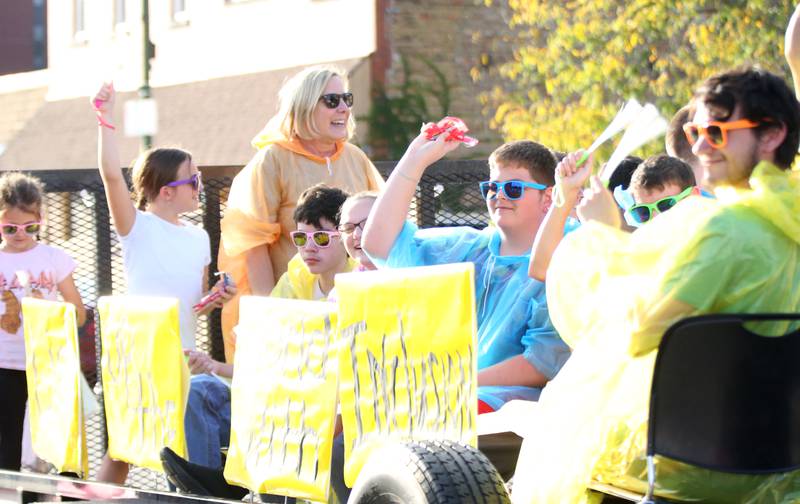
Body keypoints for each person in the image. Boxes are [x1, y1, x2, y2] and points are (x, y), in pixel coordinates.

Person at [513, 65, 800, 503]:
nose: (700, 146)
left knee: (563, 430)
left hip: (689, 462)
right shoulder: (785, 219)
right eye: (696, 131)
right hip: (783, 467)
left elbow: (634, 333)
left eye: (718, 132)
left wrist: (601, 235)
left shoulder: (723, 229)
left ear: (772, 134)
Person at [162, 185, 357, 503]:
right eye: (300, 238)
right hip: (285, 403)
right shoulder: (295, 279)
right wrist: (216, 367)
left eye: (321, 238)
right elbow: (263, 353)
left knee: (283, 415)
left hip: (328, 408)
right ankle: (209, 488)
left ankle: (231, 484)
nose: (309, 248)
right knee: (200, 390)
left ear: (345, 239)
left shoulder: (360, 282)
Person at [362, 133, 571, 413]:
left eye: (513, 188)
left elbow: (542, 363)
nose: (498, 195)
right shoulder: (470, 249)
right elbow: (379, 244)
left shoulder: (566, 256)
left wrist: (456, 383)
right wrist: (414, 160)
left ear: (548, 197)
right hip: (449, 394)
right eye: (492, 187)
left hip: (512, 409)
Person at [91, 82, 235, 484]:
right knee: (123, 447)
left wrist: (217, 297)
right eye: (192, 180)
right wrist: (104, 118)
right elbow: (110, 177)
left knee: (177, 446)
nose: (199, 186)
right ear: (165, 192)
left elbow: (195, 303)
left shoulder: (199, 237)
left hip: (182, 357)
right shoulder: (137, 227)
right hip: (141, 355)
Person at [218, 65, 383, 363]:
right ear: (305, 106)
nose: (344, 108)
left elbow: (384, 225)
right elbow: (252, 246)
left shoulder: (356, 158)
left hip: (355, 315)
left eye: (347, 99)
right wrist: (273, 317)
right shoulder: (273, 159)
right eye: (332, 101)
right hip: (295, 314)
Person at [0, 172, 85, 471]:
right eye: (10, 228)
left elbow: (78, 312)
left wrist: (50, 315)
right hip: (5, 364)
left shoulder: (54, 258)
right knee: (7, 440)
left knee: (52, 440)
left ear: (41, 219)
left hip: (47, 361)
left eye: (30, 227)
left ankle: (48, 495)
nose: (21, 234)